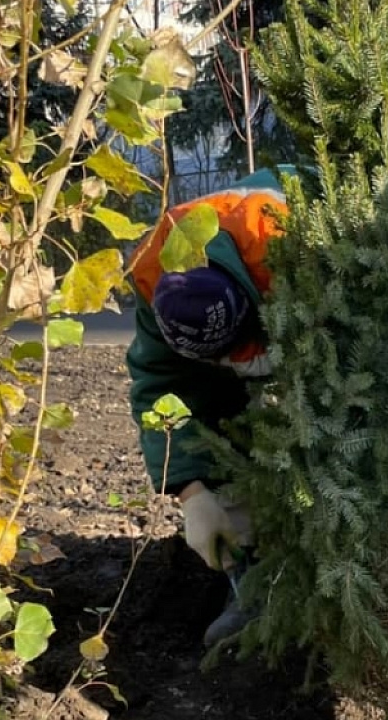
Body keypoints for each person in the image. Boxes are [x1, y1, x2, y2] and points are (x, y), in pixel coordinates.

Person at [125, 166, 294, 647]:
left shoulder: (288, 241)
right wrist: (191, 491)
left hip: (310, 329)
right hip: (224, 348)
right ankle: (255, 586)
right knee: (224, 434)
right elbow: (162, 386)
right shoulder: (154, 278)